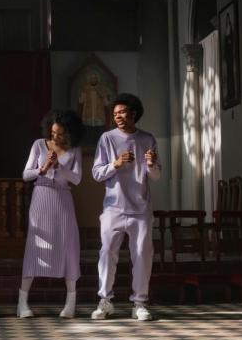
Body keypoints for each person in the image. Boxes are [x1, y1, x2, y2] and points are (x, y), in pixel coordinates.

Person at [90, 93, 161, 321]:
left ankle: (139, 303)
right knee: (107, 252)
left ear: (133, 113)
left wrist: (151, 164)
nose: (118, 116)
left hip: (140, 208)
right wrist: (116, 163)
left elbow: (156, 175)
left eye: (122, 112)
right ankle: (105, 301)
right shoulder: (107, 138)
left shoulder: (147, 139)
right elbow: (97, 173)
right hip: (113, 207)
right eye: (115, 114)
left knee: (142, 254)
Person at [17, 109, 83, 319]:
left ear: (70, 132)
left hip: (63, 198)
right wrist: (43, 169)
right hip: (41, 197)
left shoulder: (75, 150)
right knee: (35, 247)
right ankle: (22, 303)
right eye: (53, 132)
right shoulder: (39, 144)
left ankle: (70, 302)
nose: (56, 137)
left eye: (61, 134)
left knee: (68, 245)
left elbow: (77, 179)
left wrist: (59, 167)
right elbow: (26, 174)